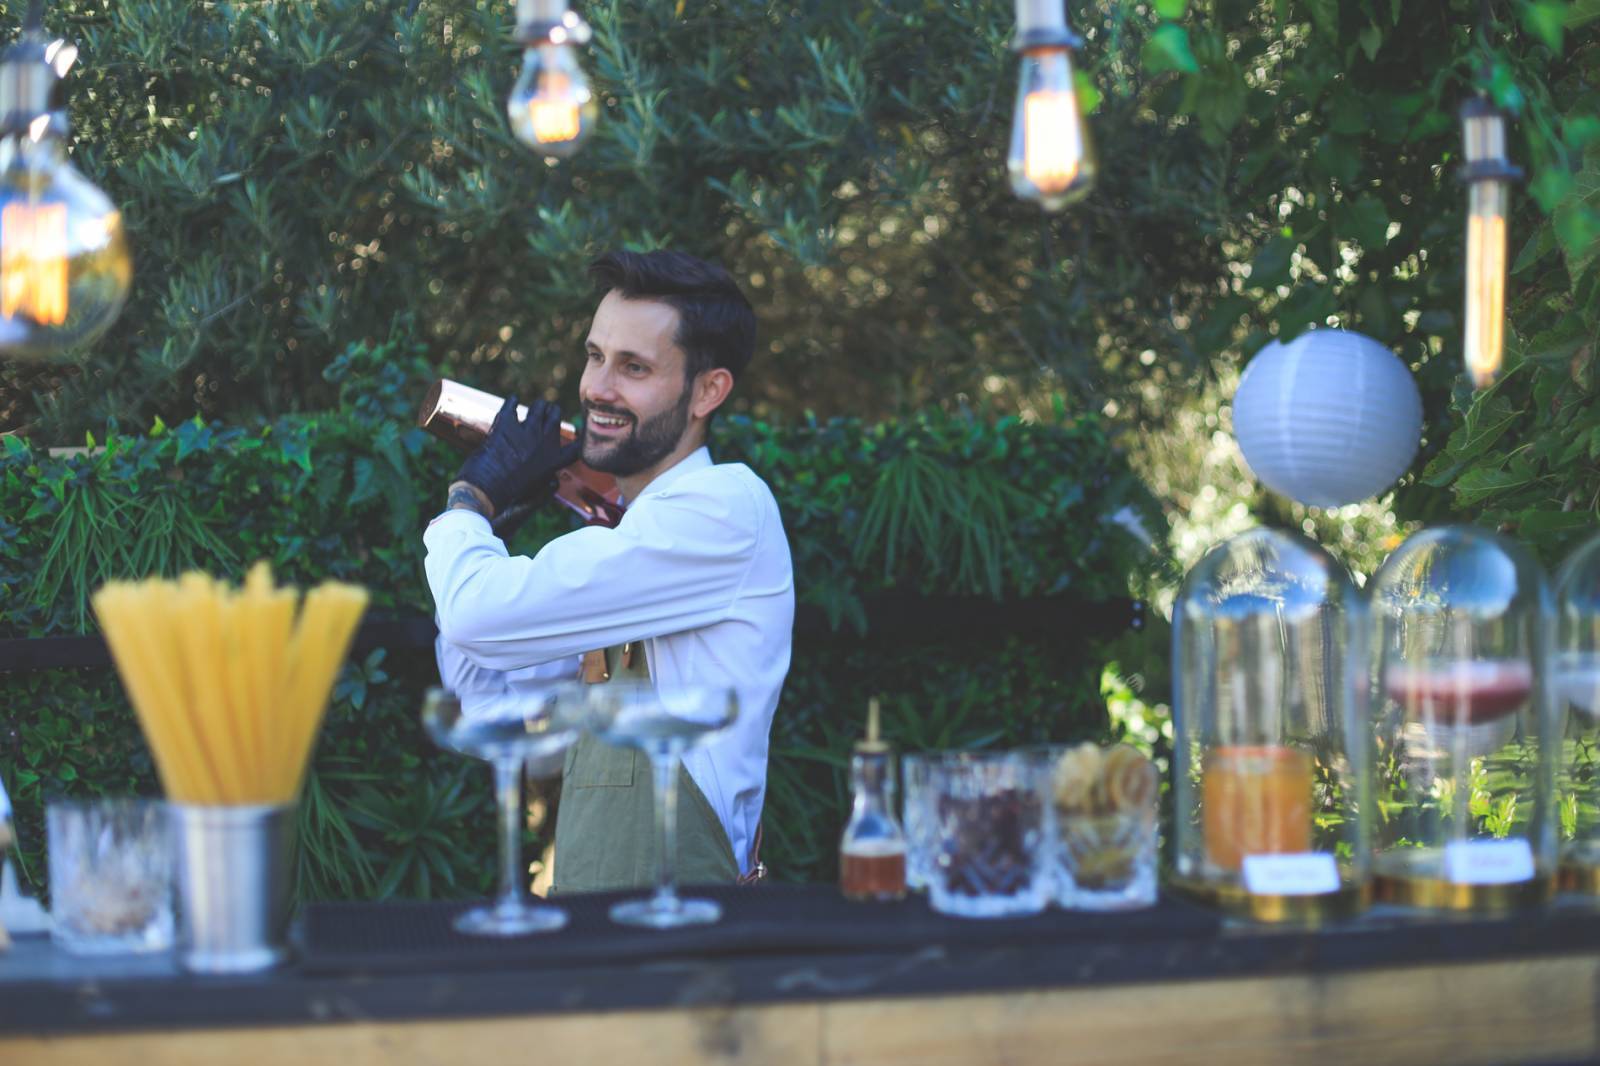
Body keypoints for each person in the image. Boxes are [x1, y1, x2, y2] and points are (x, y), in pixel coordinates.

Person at [424, 250, 795, 893]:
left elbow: (475, 617)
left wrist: (470, 500)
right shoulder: (626, 541)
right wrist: (491, 533)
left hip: (683, 929)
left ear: (708, 390)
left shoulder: (723, 509)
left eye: (634, 367)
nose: (598, 388)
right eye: (595, 356)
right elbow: (490, 708)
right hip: (588, 930)